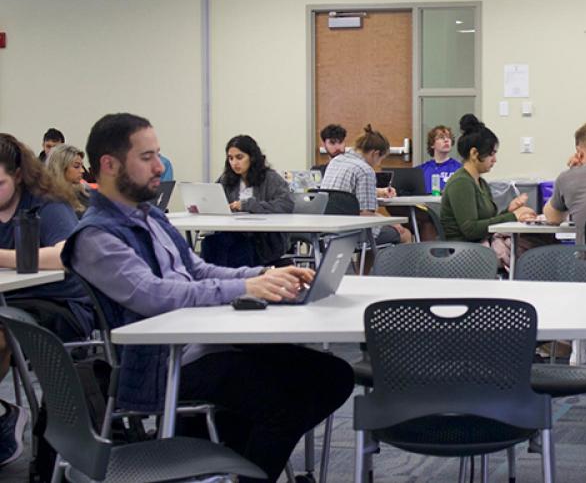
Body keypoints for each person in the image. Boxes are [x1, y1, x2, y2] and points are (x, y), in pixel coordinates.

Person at [63, 113, 354, 482]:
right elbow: (154, 296)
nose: (159, 167)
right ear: (109, 165)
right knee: (287, 400)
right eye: (147, 157)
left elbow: (197, 271)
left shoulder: (149, 216)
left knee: (333, 374)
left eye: (158, 155)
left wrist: (263, 275)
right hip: (163, 364)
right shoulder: (95, 237)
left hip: (207, 343)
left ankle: (231, 458)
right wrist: (244, 288)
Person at [0, 134, 94, 468]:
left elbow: (66, 254)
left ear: (19, 176)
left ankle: (4, 420)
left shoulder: (47, 204)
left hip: (57, 304)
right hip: (10, 303)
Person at [439, 115, 536, 268]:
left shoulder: (480, 182)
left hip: (480, 244)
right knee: (532, 252)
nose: (495, 159)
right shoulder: (461, 183)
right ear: (474, 154)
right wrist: (512, 216)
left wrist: (508, 210)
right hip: (464, 251)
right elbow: (471, 230)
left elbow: (487, 222)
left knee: (537, 244)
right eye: (491, 154)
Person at [202, 135, 294, 268]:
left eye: (239, 157)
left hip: (264, 239)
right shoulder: (226, 180)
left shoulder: (271, 178)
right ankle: (213, 282)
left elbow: (286, 205)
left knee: (235, 247)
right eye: (230, 158)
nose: (234, 163)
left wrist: (248, 205)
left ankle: (234, 283)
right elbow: (213, 198)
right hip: (232, 233)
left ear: (252, 157)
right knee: (209, 243)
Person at [321, 125, 412, 245]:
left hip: (327, 229)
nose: (379, 164)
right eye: (381, 159)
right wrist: (391, 222)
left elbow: (345, 195)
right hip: (353, 231)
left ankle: (365, 263)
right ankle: (375, 264)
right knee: (405, 234)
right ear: (375, 153)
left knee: (374, 234)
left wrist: (378, 191)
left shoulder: (335, 161)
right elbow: (366, 215)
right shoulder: (365, 170)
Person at [45, 144, 90, 216]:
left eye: (82, 166)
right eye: (76, 166)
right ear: (61, 168)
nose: (82, 170)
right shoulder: (49, 200)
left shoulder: (85, 194)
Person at [419, 125, 462, 194]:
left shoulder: (459, 169)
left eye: (449, 137)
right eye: (441, 137)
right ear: (432, 144)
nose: (446, 140)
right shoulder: (421, 170)